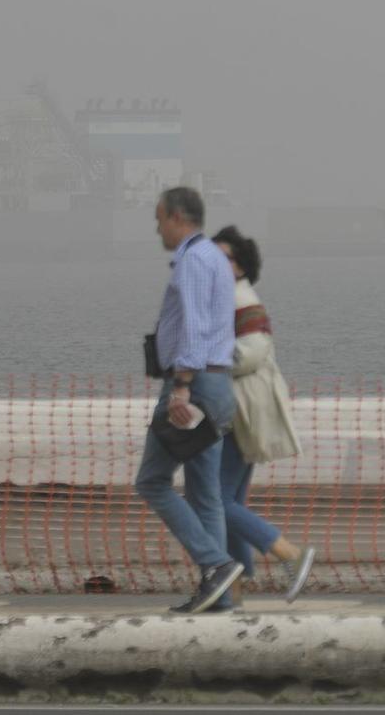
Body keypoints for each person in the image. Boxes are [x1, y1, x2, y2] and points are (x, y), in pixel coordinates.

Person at [136, 186, 243, 614]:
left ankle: (216, 565)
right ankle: (219, 598)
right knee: (205, 495)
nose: (157, 227)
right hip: (216, 381)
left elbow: (195, 327)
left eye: (159, 218)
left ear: (178, 217)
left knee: (152, 481)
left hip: (194, 383)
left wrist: (180, 385)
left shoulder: (193, 260)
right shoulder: (214, 257)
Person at [211, 226, 317, 601]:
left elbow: (250, 353)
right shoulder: (227, 299)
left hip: (239, 413)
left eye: (222, 258)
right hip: (234, 410)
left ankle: (288, 552)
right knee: (229, 502)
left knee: (212, 499)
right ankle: (235, 586)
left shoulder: (243, 302)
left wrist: (203, 362)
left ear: (239, 267)